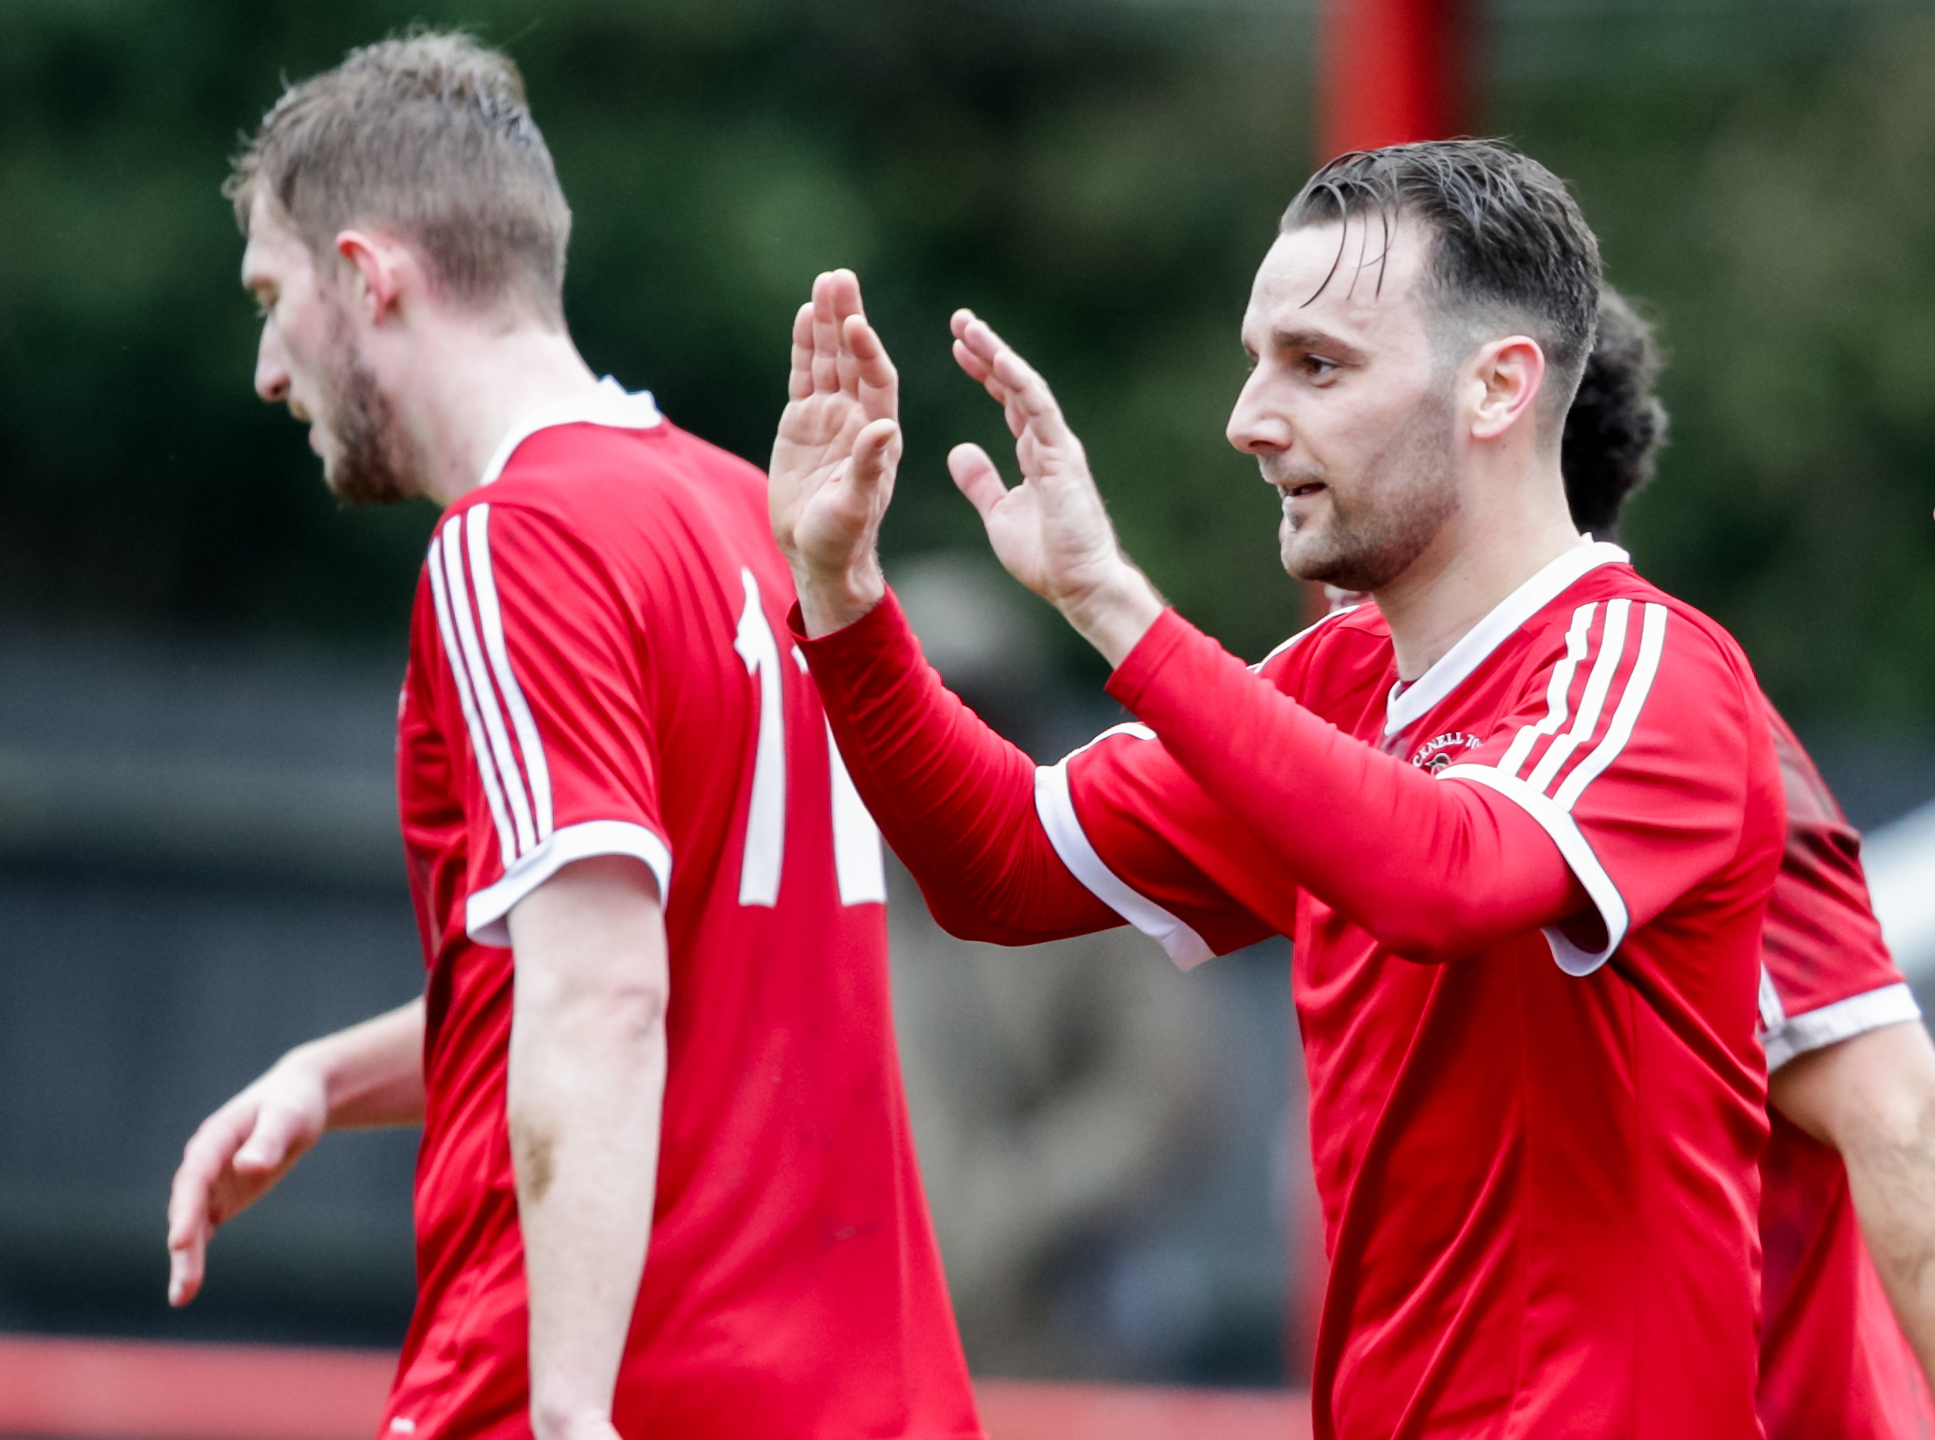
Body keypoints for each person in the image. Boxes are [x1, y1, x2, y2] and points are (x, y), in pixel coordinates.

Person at [769, 141, 1785, 1437]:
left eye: (1315, 364)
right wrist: (844, 605)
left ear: (1494, 387)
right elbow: (1001, 872)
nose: (1247, 417)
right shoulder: (1330, 679)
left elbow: (1443, 876)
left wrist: (1114, 608)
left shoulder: (1643, 663)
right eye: (1255, 360)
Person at [163, 34, 981, 1440]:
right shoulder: (756, 521)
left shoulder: (513, 545)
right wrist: (328, 1077)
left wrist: (565, 1413)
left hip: (636, 1390)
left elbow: (600, 1001)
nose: (266, 369)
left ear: (367, 277)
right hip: (868, 1399)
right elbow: (658, 969)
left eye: (270, 297)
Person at [1561, 291, 1935, 1438]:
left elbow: (1895, 1118)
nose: (1262, 422)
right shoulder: (1399, 725)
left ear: (1495, 412)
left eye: (1328, 369)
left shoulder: (1679, 740)